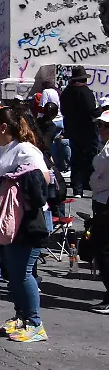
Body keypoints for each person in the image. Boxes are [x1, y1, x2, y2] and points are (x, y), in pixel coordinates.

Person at [0, 107, 51, 342]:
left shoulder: (25, 149)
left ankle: (36, 324)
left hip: (28, 220)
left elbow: (43, 178)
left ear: (4, 127)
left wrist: (15, 182)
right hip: (5, 219)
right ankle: (21, 316)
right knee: (12, 273)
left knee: (23, 273)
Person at [60, 66, 98, 195]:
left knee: (76, 158)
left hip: (72, 129)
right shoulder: (85, 92)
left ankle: (77, 188)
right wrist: (103, 109)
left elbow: (64, 110)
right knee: (91, 157)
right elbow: (92, 111)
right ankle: (90, 184)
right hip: (87, 130)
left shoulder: (66, 93)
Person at [89, 112, 109, 314]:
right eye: (100, 126)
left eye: (106, 126)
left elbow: (97, 178)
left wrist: (94, 182)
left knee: (103, 250)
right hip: (102, 198)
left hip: (105, 201)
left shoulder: (106, 152)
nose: (102, 130)